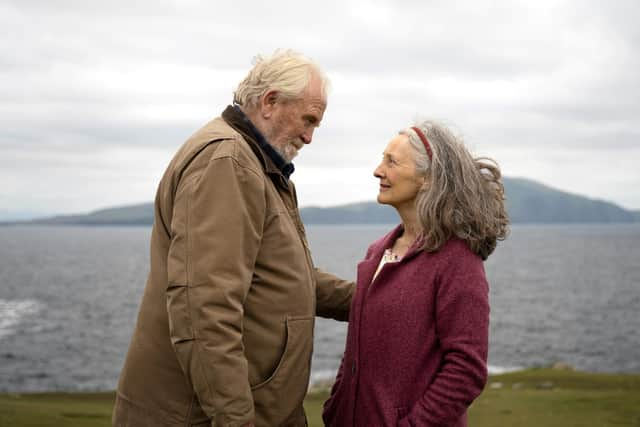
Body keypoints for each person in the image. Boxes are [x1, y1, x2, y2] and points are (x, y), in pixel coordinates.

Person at [113, 50, 354, 427]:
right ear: (270, 101)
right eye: (308, 120)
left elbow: (283, 277)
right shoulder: (227, 160)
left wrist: (376, 299)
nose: (309, 137)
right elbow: (204, 307)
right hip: (198, 417)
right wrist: (237, 420)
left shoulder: (255, 163)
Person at [322, 120, 509, 427]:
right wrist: (337, 407)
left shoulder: (457, 261)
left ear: (427, 178)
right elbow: (357, 347)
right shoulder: (377, 252)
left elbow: (466, 371)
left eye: (391, 162)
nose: (378, 170)